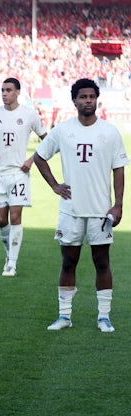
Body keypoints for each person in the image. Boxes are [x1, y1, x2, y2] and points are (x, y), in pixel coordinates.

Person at [34, 78, 128, 333]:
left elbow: (119, 169)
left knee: (102, 262)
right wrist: (55, 185)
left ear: (97, 99)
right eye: (83, 97)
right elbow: (39, 157)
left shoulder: (109, 132)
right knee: (68, 262)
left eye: (92, 96)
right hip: (71, 210)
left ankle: (104, 317)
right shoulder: (63, 130)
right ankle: (65, 316)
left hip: (100, 210)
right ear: (74, 101)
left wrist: (118, 205)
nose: (88, 100)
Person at [0, 78, 47, 277]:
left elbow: (47, 139)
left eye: (8, 90)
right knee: (1, 219)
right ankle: (10, 253)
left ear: (18, 92)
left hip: (19, 174)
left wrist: (31, 160)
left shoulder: (29, 115)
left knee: (15, 216)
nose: (4, 93)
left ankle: (12, 264)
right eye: (2, 90)